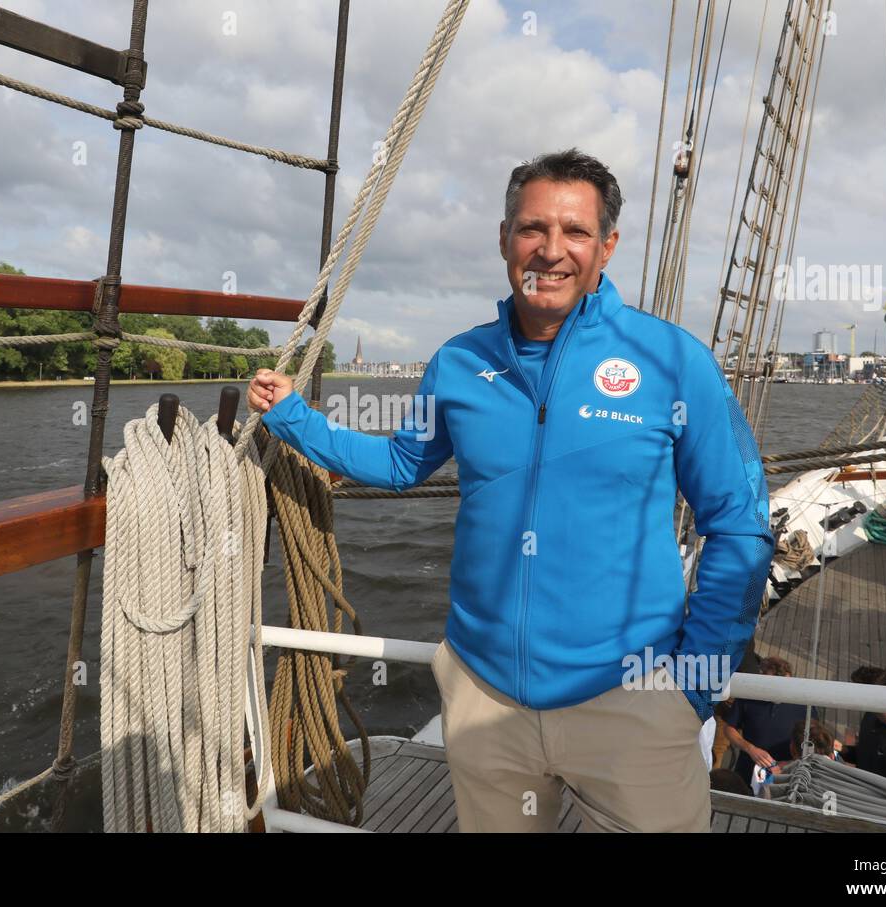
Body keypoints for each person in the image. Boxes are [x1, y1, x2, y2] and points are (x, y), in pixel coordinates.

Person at [249, 148, 775, 832]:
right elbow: (404, 460)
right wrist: (292, 416)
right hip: (485, 698)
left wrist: (692, 685)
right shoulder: (461, 362)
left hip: (633, 701)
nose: (551, 251)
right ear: (504, 239)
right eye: (532, 228)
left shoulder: (671, 361)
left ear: (607, 246)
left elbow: (738, 522)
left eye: (575, 232)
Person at [721, 656, 817, 783]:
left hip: (788, 777)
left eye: (784, 685)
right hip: (747, 772)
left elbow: (814, 740)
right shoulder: (748, 695)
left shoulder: (805, 704)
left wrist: (790, 763)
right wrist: (751, 749)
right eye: (774, 685)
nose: (780, 690)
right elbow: (729, 729)